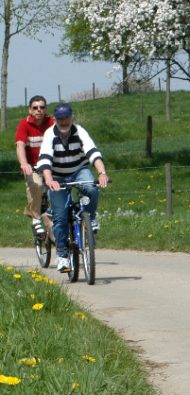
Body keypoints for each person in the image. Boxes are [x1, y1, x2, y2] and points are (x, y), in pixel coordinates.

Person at [35, 103, 109, 273]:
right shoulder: (49, 134)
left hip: (79, 171)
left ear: (72, 118)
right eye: (60, 119)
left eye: (66, 118)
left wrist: (102, 173)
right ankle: (61, 255)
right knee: (60, 217)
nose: (63, 122)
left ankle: (90, 217)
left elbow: (93, 153)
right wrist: (49, 180)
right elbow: (45, 159)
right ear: (55, 120)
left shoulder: (79, 131)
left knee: (91, 188)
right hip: (57, 176)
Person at [14, 95, 55, 236]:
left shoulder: (52, 122)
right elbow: (20, 146)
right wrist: (24, 164)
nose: (39, 110)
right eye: (35, 107)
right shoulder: (24, 124)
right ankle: (36, 218)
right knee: (35, 184)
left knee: (62, 188)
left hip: (51, 165)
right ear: (30, 110)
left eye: (42, 107)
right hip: (33, 166)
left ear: (46, 109)